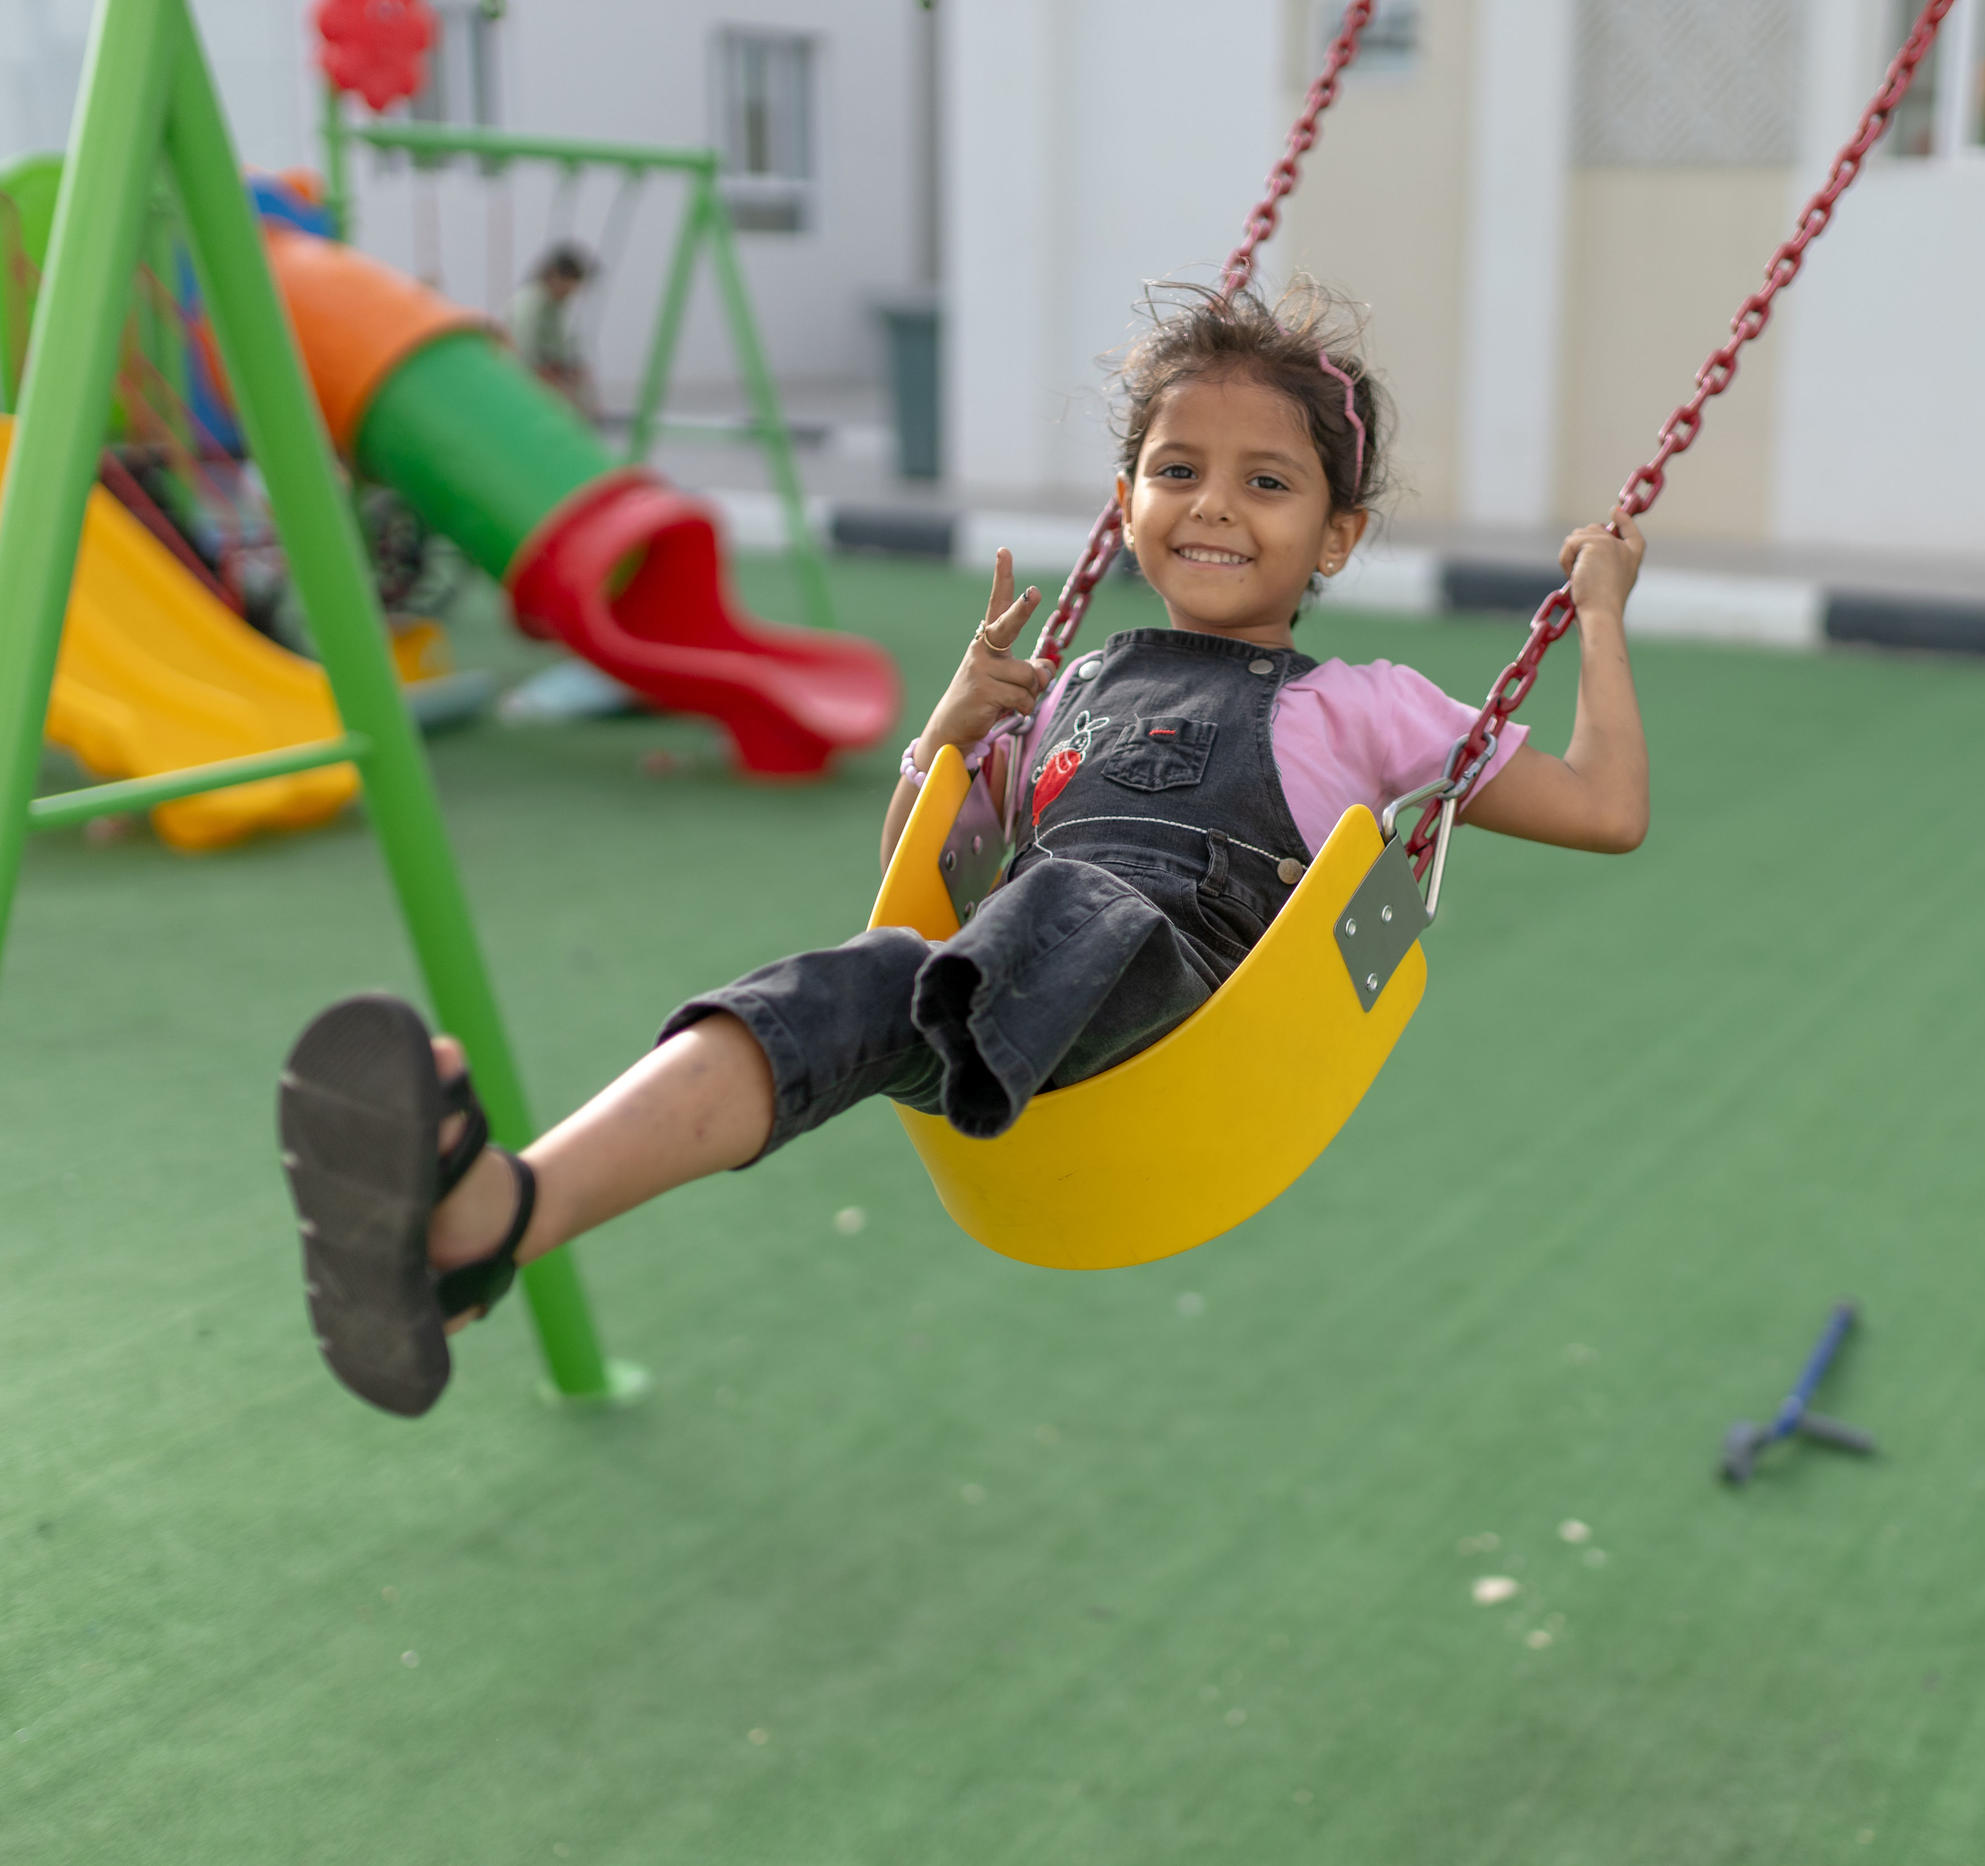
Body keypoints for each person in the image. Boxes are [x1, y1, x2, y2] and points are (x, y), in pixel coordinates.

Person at [276, 281, 1651, 1418]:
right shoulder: (1070, 682)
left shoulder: (1362, 706)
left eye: (1268, 482)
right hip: (1009, 984)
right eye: (1177, 469)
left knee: (1060, 901)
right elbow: (920, 870)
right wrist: (947, 730)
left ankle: (926, 1023)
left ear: (1336, 535)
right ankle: (495, 1221)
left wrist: (1597, 615)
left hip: (1179, 1004)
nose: (1215, 505)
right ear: (1127, 500)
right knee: (855, 979)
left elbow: (1603, 808)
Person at [507, 242, 597, 416]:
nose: (572, 293)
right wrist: (552, 374)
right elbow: (520, 351)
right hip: (521, 381)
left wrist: (572, 371)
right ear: (555, 276)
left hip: (543, 378)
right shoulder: (529, 303)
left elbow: (563, 349)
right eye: (571, 284)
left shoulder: (554, 307)